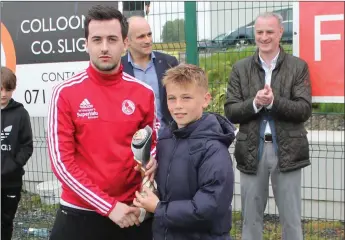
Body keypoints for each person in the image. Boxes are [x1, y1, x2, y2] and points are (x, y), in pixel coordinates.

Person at [47, 5, 159, 240]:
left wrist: (145, 189)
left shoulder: (143, 92)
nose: (105, 47)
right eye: (97, 40)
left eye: (112, 39)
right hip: (80, 212)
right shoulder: (65, 93)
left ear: (125, 44)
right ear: (86, 44)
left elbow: (151, 145)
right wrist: (108, 206)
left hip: (130, 212)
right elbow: (62, 163)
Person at [224, 12, 312, 240]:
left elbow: (304, 109)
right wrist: (254, 103)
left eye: (270, 32)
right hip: (252, 150)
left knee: (291, 220)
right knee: (251, 219)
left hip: (288, 150)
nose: (264, 37)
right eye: (259, 32)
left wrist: (274, 102)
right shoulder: (240, 68)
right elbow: (230, 110)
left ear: (280, 33)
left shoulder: (298, 66)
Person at [133, 64, 236, 240]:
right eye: (172, 98)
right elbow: (168, 191)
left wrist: (158, 208)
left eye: (186, 97)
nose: (178, 106)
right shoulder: (165, 139)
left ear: (206, 99)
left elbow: (209, 207)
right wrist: (148, 198)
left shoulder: (213, 149)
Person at [122, 16, 179, 135]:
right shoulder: (119, 68)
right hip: (134, 142)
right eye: (141, 37)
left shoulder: (169, 63)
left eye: (149, 34)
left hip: (168, 138)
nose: (148, 40)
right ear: (127, 41)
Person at [1, 66, 33, 240]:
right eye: (0, 89)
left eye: (8, 89)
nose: (4, 94)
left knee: (6, 221)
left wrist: (12, 165)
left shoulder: (21, 113)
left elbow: (27, 146)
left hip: (11, 182)